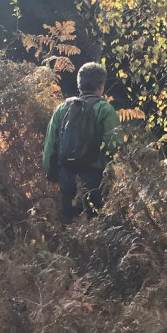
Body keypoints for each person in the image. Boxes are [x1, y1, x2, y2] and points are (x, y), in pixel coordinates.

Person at [43, 62, 122, 225]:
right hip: (94, 176)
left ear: (79, 84)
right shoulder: (105, 109)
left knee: (69, 227)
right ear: (101, 86)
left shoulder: (62, 109)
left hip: (66, 175)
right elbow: (115, 146)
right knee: (97, 224)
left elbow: (50, 145)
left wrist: (51, 174)